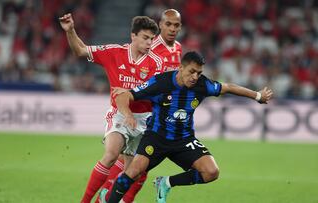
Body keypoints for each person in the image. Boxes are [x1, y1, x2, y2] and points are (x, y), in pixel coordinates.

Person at [106, 51, 273, 203]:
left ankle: (166, 183)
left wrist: (257, 96)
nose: (195, 77)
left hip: (183, 140)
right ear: (180, 68)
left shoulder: (202, 85)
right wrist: (128, 115)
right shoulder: (161, 82)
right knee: (134, 172)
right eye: (191, 72)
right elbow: (125, 95)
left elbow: (228, 87)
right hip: (156, 138)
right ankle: (109, 199)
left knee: (211, 172)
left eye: (199, 73)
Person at [59, 13, 164, 203]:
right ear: (133, 36)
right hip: (119, 115)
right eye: (145, 38)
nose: (149, 43)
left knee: (133, 173)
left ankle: (104, 200)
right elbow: (81, 50)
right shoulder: (114, 52)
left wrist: (130, 91)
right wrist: (71, 30)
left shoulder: (156, 63)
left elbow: (158, 93)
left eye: (152, 39)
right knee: (111, 154)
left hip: (144, 119)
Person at [97, 8, 183, 203]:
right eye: (168, 24)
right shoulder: (152, 48)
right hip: (143, 111)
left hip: (159, 111)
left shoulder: (177, 47)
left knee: (140, 165)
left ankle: (112, 194)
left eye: (176, 25)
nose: (172, 29)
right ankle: (109, 193)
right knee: (136, 163)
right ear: (160, 25)